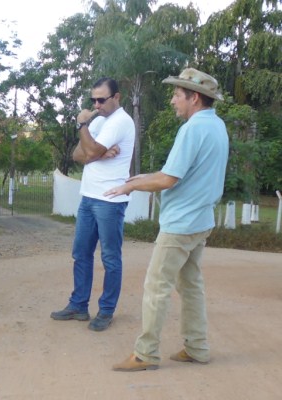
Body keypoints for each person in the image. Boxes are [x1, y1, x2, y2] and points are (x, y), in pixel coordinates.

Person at [109, 68, 228, 371]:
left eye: (178, 94)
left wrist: (131, 185)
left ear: (195, 98)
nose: (173, 100)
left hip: (180, 224)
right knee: (190, 285)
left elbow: (170, 179)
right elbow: (179, 173)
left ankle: (146, 354)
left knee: (156, 286)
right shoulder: (216, 126)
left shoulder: (192, 129)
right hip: (201, 221)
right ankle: (197, 348)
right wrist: (143, 177)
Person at [50, 77, 135, 331]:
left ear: (117, 97)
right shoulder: (98, 121)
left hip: (110, 200)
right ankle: (78, 305)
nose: (96, 105)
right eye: (93, 100)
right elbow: (78, 154)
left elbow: (91, 149)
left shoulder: (121, 121)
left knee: (110, 257)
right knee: (81, 254)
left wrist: (84, 128)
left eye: (101, 99)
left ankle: (106, 311)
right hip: (88, 197)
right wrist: (96, 152)